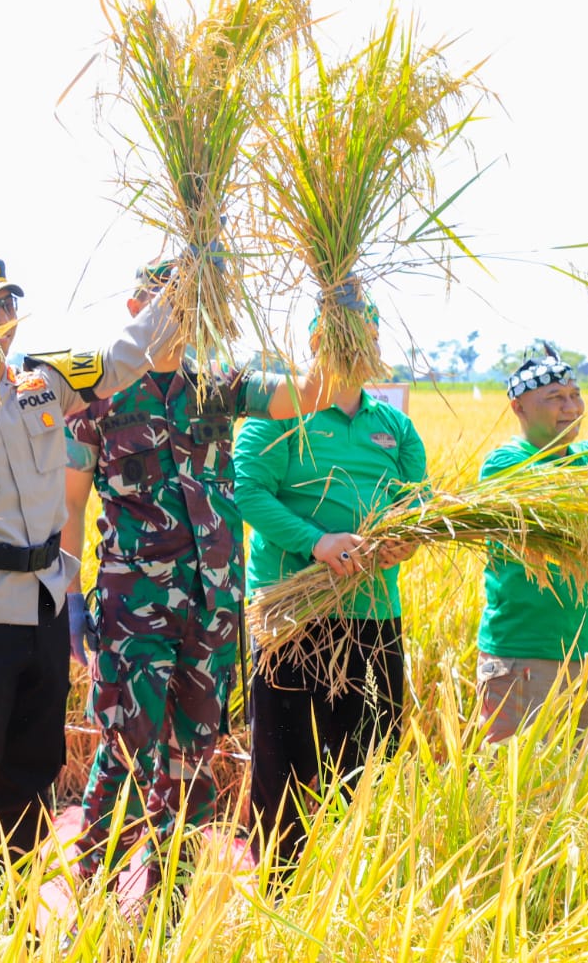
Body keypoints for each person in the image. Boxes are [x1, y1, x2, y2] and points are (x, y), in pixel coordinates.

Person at [0, 257, 175, 878]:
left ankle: (11, 902)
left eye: (6, 304)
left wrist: (182, 289)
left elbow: (126, 354)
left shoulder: (45, 380)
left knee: (34, 767)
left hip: (43, 609)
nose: (0, 318)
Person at [62, 260, 335, 885]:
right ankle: (97, 892)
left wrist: (334, 313)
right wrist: (71, 602)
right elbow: (71, 506)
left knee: (194, 757)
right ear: (136, 310)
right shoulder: (95, 391)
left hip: (213, 604)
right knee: (127, 749)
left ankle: (172, 898)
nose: (176, 319)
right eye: (165, 304)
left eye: (187, 305)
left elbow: (310, 393)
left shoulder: (218, 384)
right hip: (133, 606)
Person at [233, 315, 426, 868]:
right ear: (319, 340)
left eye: (372, 336)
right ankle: (280, 886)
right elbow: (246, 488)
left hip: (373, 615)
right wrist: (317, 543)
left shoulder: (394, 426)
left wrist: (406, 540)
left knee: (372, 757)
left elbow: (419, 503)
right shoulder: (280, 412)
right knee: (284, 762)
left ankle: (356, 880)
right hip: (291, 616)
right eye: (353, 335)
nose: (367, 346)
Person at [476, 350, 588, 743]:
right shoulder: (506, 464)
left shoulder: (586, 458)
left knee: (586, 774)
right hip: (528, 653)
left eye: (575, 395)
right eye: (555, 397)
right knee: (516, 774)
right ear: (518, 407)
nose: (571, 407)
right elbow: (559, 491)